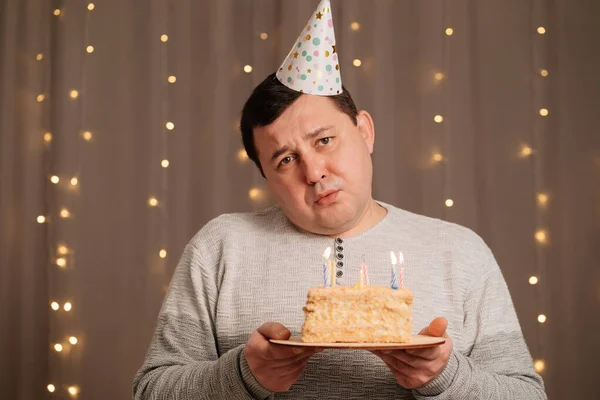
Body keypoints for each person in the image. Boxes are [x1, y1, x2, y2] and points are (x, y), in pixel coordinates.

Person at [133, 1, 547, 399]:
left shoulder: (460, 252)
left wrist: (446, 377)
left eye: (325, 140)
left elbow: (526, 396)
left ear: (365, 131)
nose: (313, 172)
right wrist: (243, 376)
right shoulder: (220, 247)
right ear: (266, 176)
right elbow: (153, 390)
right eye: (286, 159)